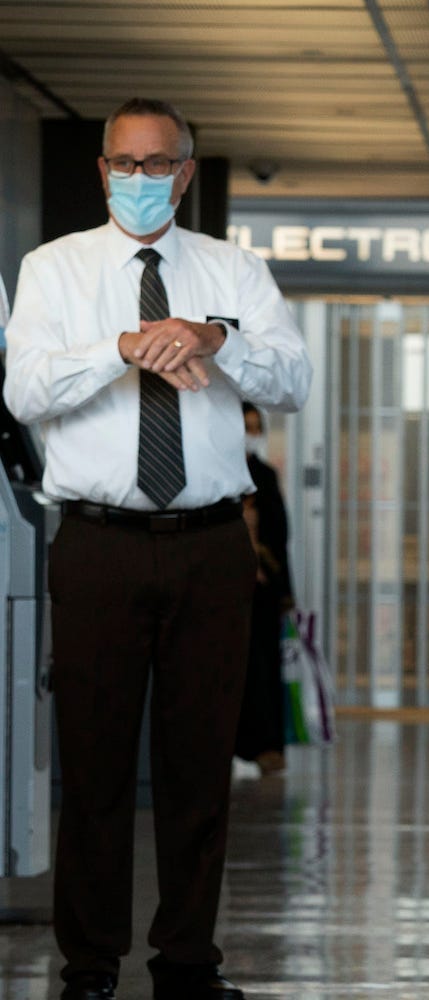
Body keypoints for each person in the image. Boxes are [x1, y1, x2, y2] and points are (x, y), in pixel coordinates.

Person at [3, 97, 312, 1000]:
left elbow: (293, 377)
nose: (142, 180)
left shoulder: (233, 270)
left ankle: (187, 964)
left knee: (197, 769)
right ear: (103, 172)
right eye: (125, 164)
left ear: (186, 170)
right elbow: (24, 391)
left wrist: (219, 338)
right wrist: (123, 346)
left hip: (213, 546)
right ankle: (89, 969)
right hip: (98, 546)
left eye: (160, 163)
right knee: (93, 767)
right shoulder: (53, 269)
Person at [235, 403, 294, 776]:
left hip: (263, 588)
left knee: (265, 667)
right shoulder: (219, 472)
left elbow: (280, 534)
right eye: (245, 426)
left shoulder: (265, 476)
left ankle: (267, 746)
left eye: (256, 428)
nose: (250, 434)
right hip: (226, 590)